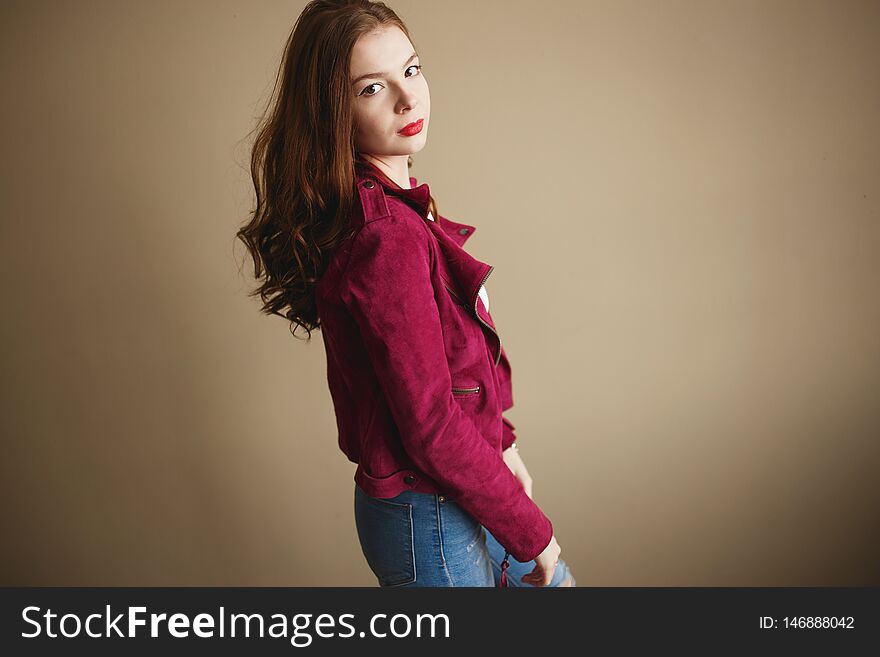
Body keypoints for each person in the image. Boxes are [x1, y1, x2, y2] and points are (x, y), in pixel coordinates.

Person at [237, 0, 574, 587]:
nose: (407, 98)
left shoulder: (397, 210)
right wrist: (533, 533)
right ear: (332, 113)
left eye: (411, 71)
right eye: (372, 87)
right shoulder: (385, 237)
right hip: (433, 515)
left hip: (458, 487)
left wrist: (503, 446)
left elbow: (457, 369)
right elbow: (429, 421)